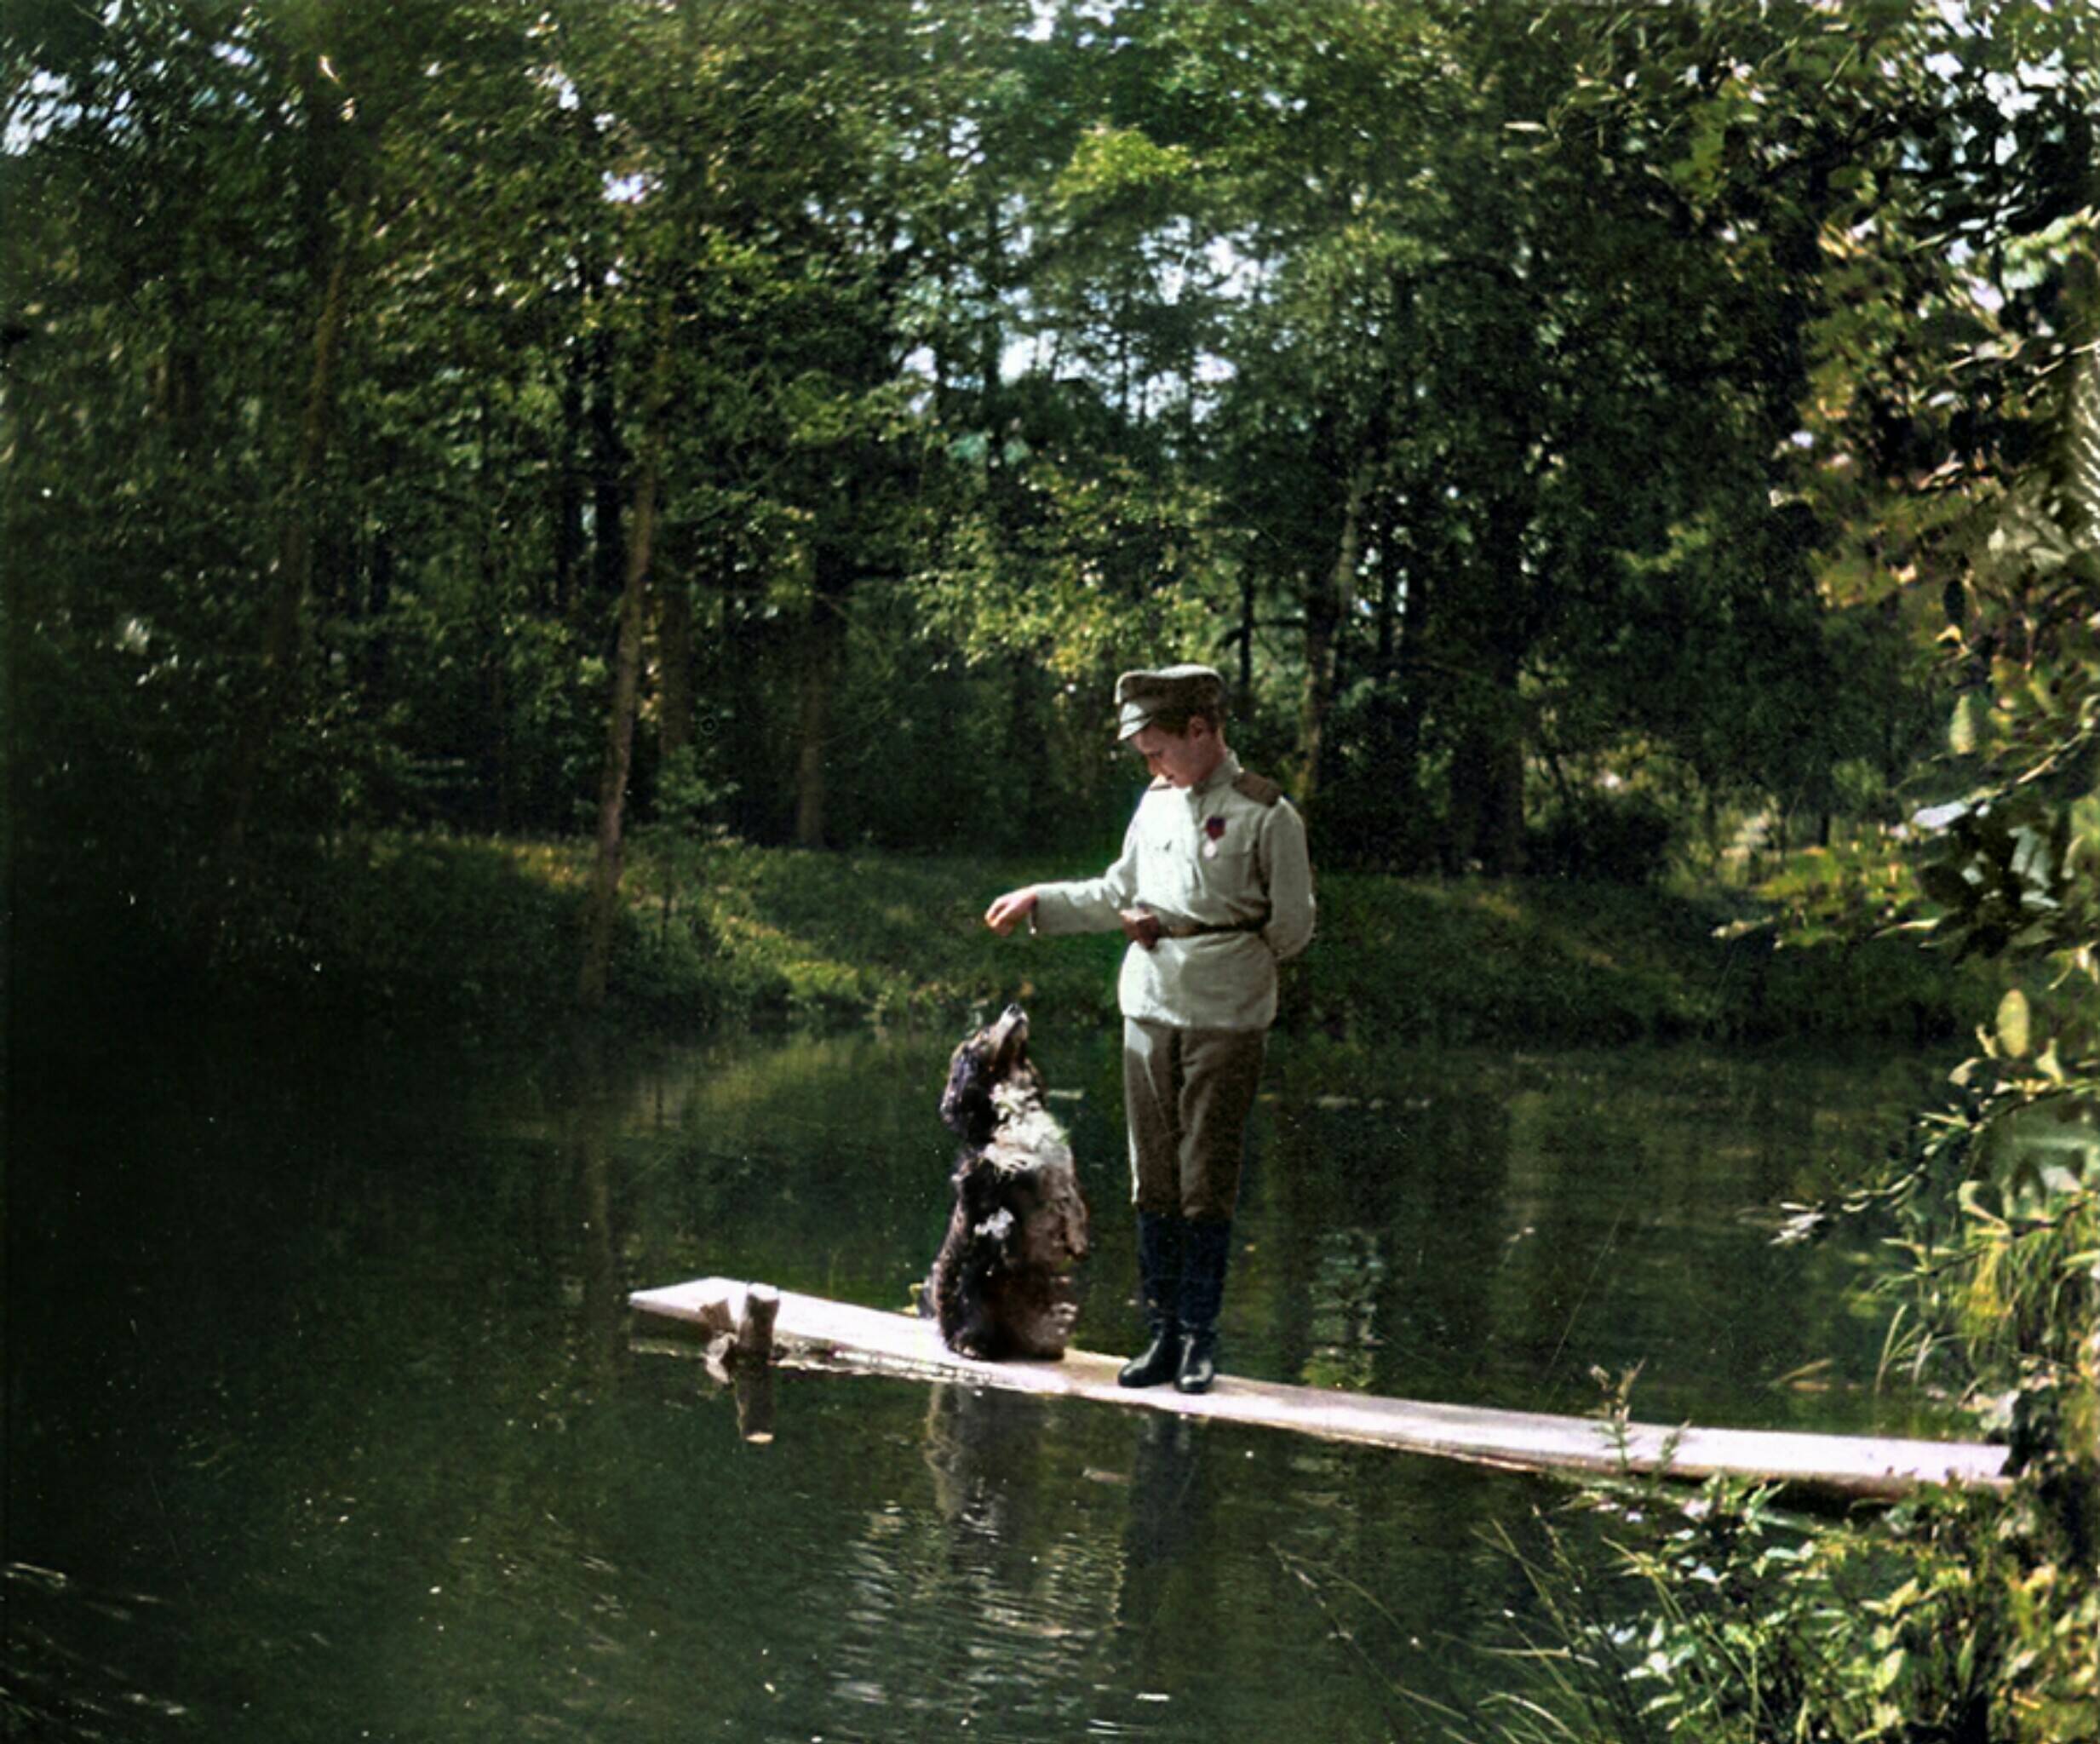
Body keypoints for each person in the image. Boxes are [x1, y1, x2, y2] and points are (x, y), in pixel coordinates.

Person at [984, 664, 1315, 1394]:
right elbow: (1116, 890)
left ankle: (1200, 1339)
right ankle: (1162, 1334)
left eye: (1158, 747)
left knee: (1207, 1181)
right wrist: (1041, 899)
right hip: (1149, 1007)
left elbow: (1292, 929)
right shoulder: (1156, 805)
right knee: (1153, 1177)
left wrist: (1214, 947)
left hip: (1225, 1014)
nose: (1151, 762)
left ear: (1201, 730)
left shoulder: (1267, 815)